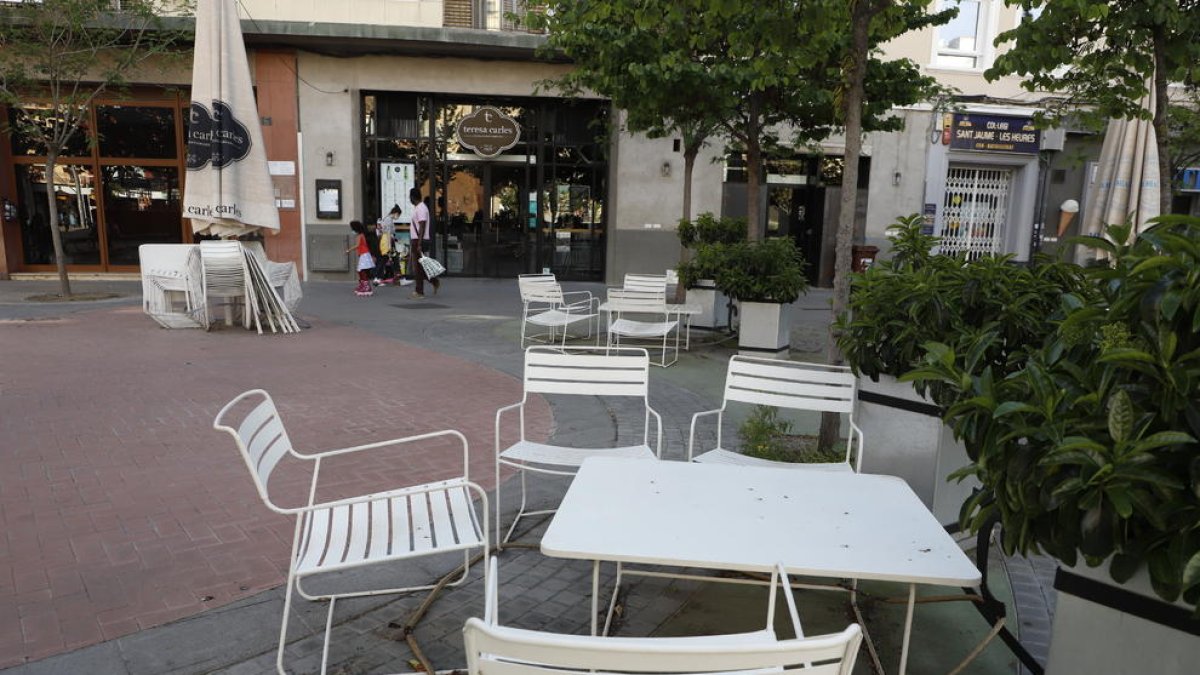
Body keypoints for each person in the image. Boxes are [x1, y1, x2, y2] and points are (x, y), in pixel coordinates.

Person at [408, 187, 440, 299]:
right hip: (416, 239)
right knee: (420, 266)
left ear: (412, 197)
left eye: (410, 197)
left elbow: (422, 225)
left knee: (417, 267)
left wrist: (419, 243)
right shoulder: (419, 207)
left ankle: (419, 292)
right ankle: (434, 281)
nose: (409, 199)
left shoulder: (421, 208)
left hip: (418, 240)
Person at [373, 204, 402, 285]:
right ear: (396, 213)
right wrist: (389, 245)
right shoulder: (389, 219)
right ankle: (379, 278)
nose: (398, 217)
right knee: (389, 259)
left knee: (385, 259)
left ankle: (379, 278)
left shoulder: (387, 218)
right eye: (398, 215)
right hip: (387, 242)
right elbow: (388, 233)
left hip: (386, 241)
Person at [346, 220, 376, 296]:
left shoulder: (359, 236)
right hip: (364, 254)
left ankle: (366, 286)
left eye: (352, 229)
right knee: (361, 270)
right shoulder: (362, 235)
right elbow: (364, 244)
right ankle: (363, 284)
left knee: (361, 270)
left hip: (364, 255)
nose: (352, 230)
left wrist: (348, 250)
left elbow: (357, 245)